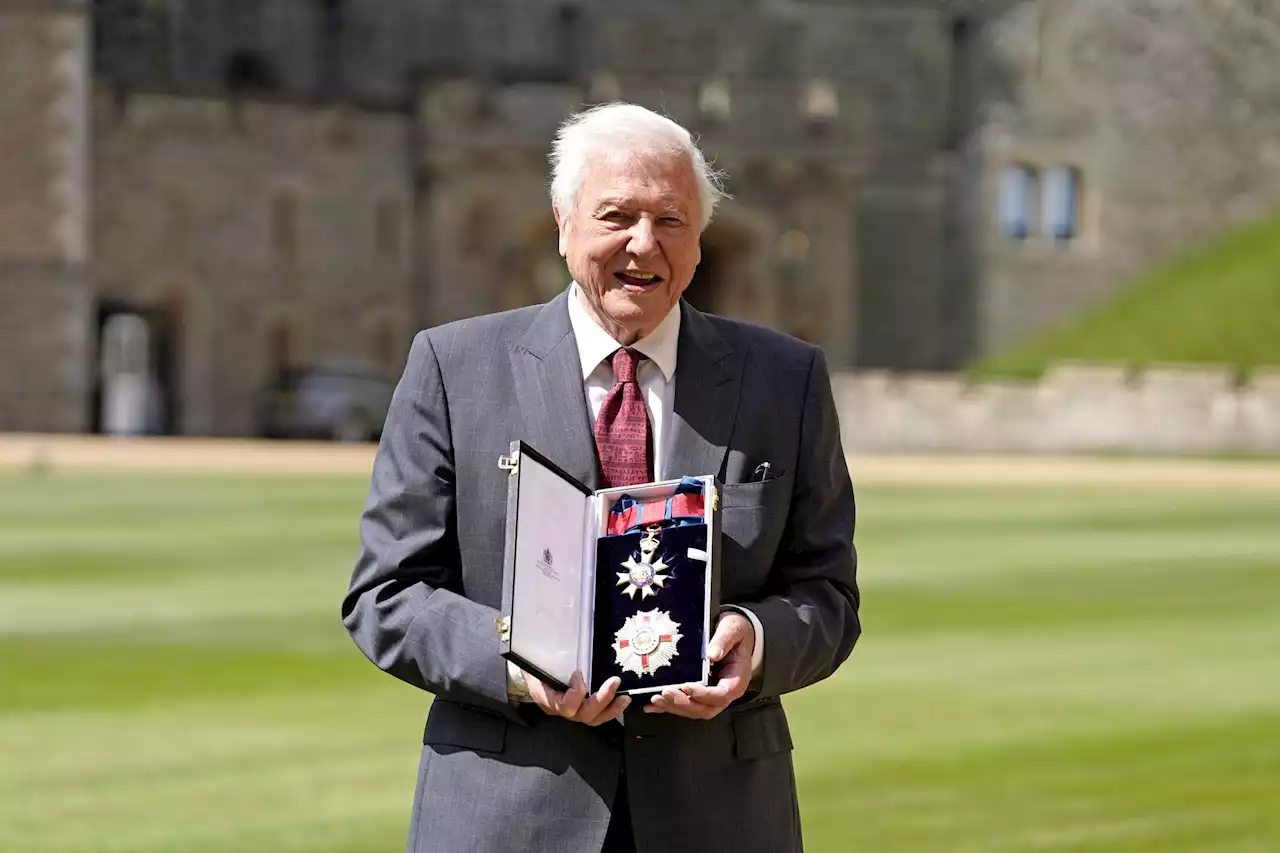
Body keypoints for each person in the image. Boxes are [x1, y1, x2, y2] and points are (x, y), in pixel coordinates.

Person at [342, 102, 859, 853]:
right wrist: (517, 663)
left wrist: (756, 638)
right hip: (506, 817)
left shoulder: (787, 379)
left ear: (700, 236)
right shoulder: (454, 368)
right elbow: (385, 595)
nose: (643, 245)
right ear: (563, 220)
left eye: (672, 220)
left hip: (719, 818)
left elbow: (828, 592)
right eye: (617, 215)